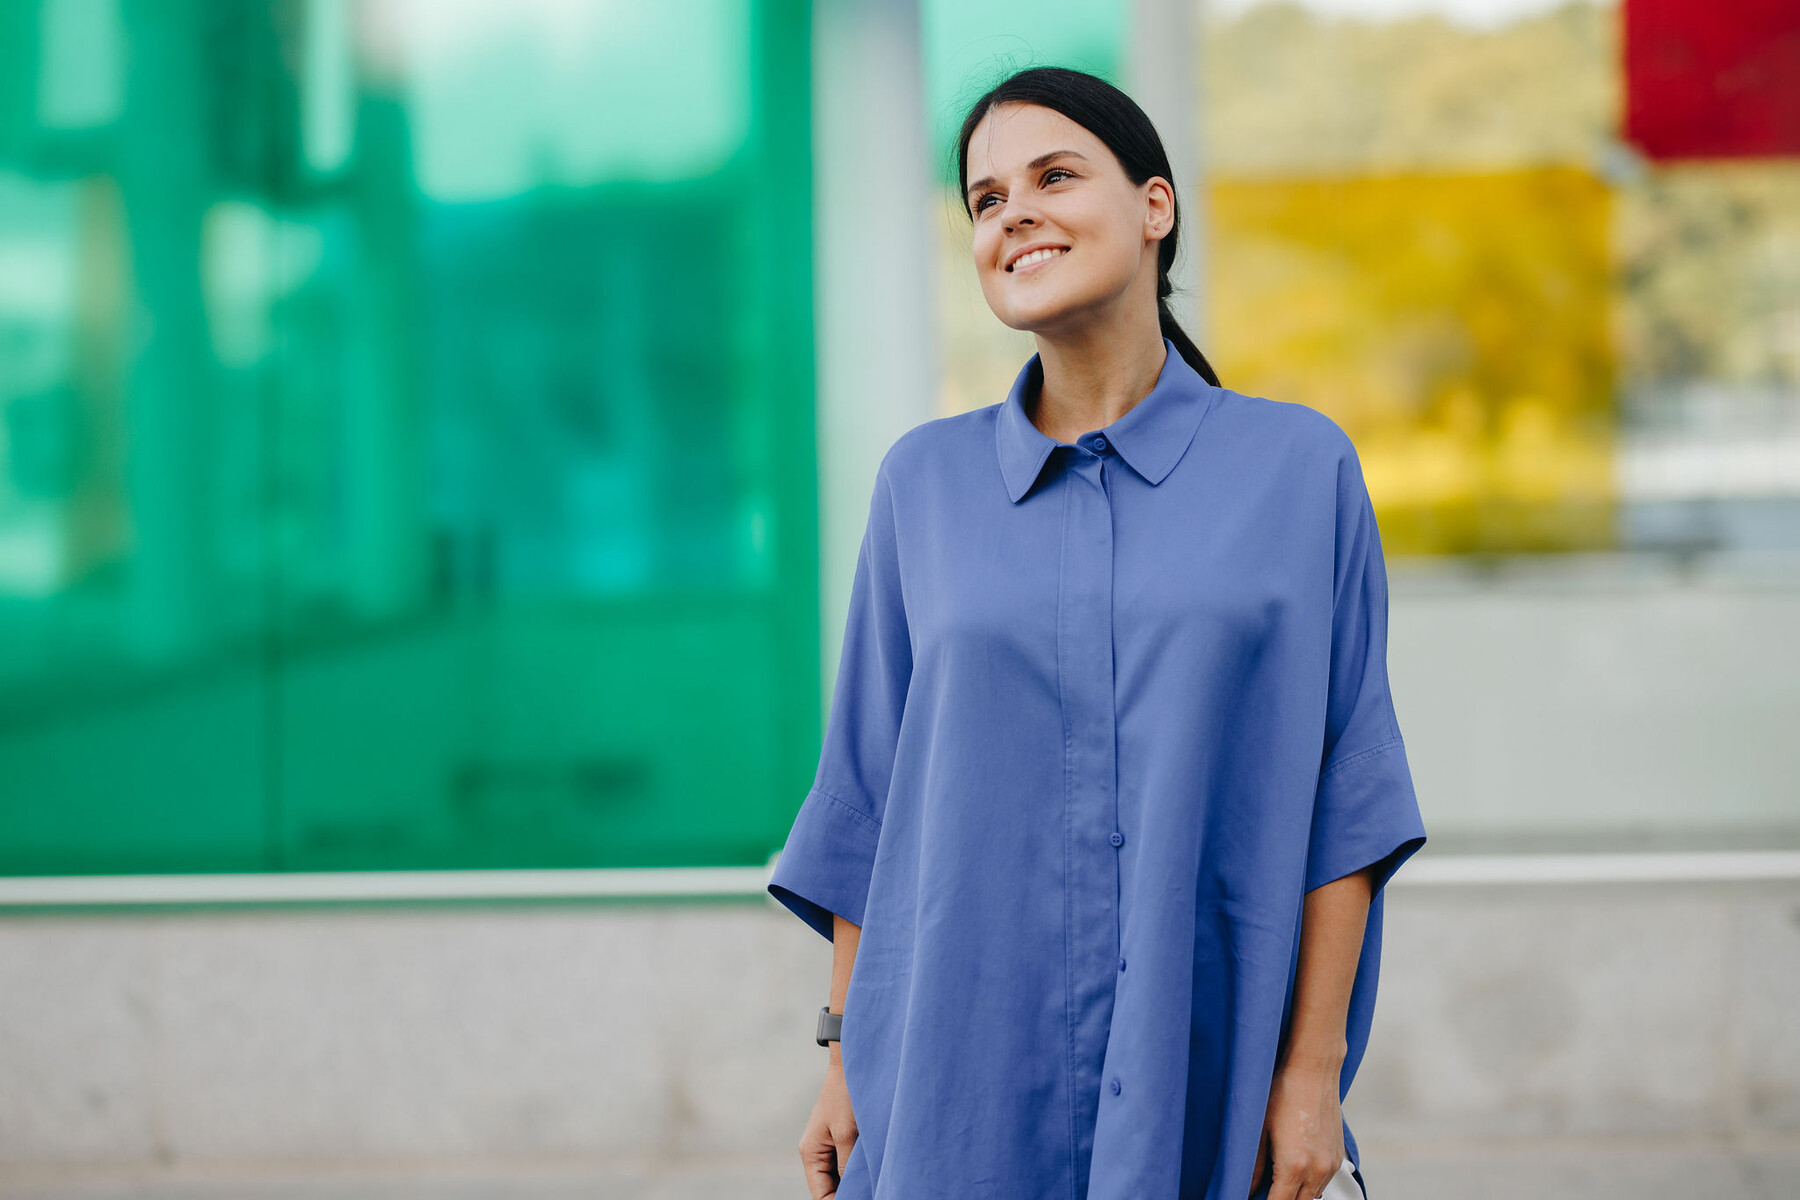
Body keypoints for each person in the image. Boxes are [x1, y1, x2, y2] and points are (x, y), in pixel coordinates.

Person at [767, 65, 1427, 1200]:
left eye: (1054, 176)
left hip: (1207, 1067)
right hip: (954, 1077)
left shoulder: (1298, 470)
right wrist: (842, 1058)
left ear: (1155, 206)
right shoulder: (922, 485)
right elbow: (866, 805)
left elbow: (1348, 800)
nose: (1012, 212)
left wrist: (1312, 1079)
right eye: (983, 199)